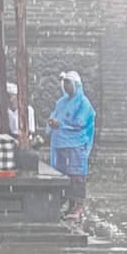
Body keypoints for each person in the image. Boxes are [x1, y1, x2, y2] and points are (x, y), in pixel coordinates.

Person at [49, 69, 95, 221]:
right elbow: (54, 116)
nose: (66, 86)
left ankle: (78, 206)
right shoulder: (61, 102)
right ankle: (68, 205)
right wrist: (52, 123)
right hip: (61, 144)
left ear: (76, 85)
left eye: (69, 83)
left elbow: (81, 122)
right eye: (65, 83)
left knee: (76, 175)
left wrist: (61, 124)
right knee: (64, 175)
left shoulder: (83, 103)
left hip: (76, 144)